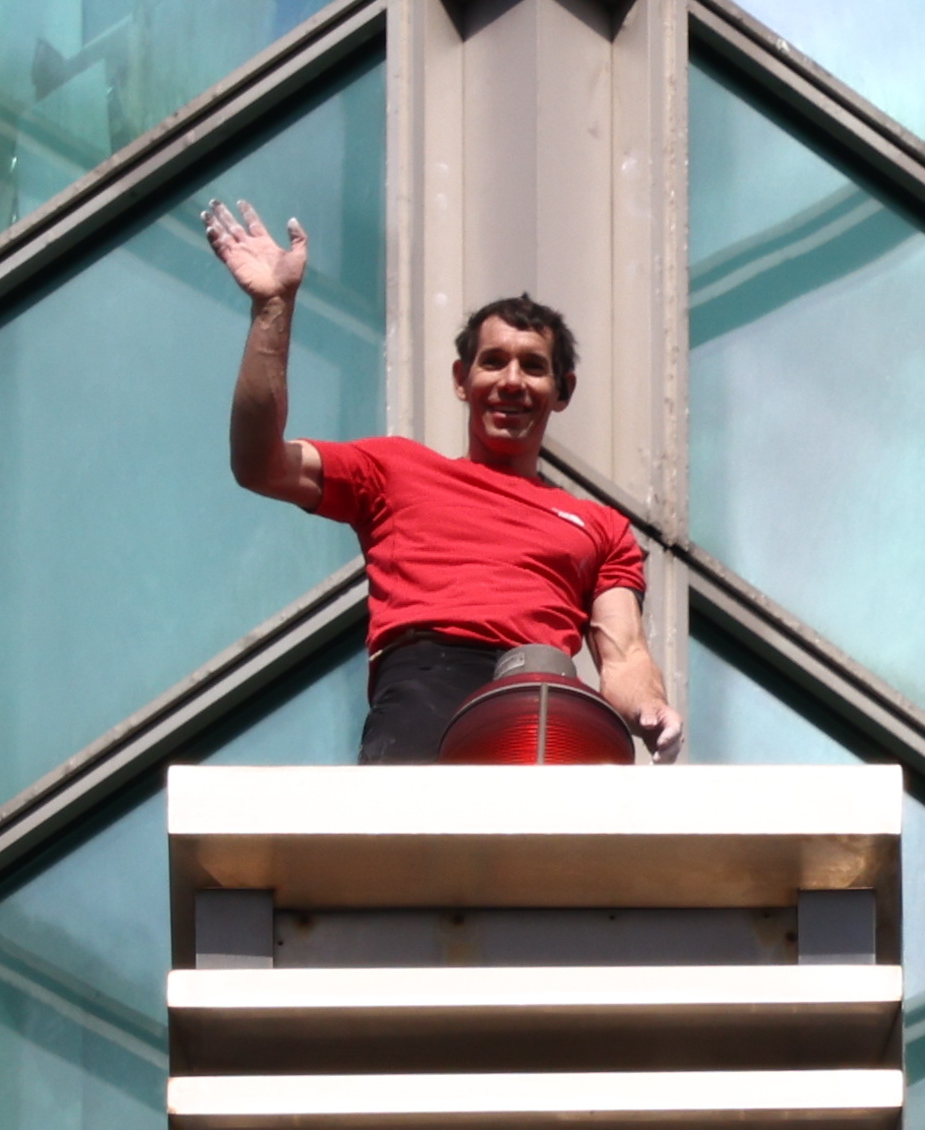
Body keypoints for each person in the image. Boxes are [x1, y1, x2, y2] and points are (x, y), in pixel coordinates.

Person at [206, 200, 685, 764]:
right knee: (408, 843)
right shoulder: (393, 469)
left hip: (539, 697)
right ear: (462, 380)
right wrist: (273, 309)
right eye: (493, 362)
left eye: (533, 366)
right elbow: (259, 464)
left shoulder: (602, 528)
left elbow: (625, 653)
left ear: (563, 390)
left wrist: (651, 708)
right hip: (424, 682)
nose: (512, 381)